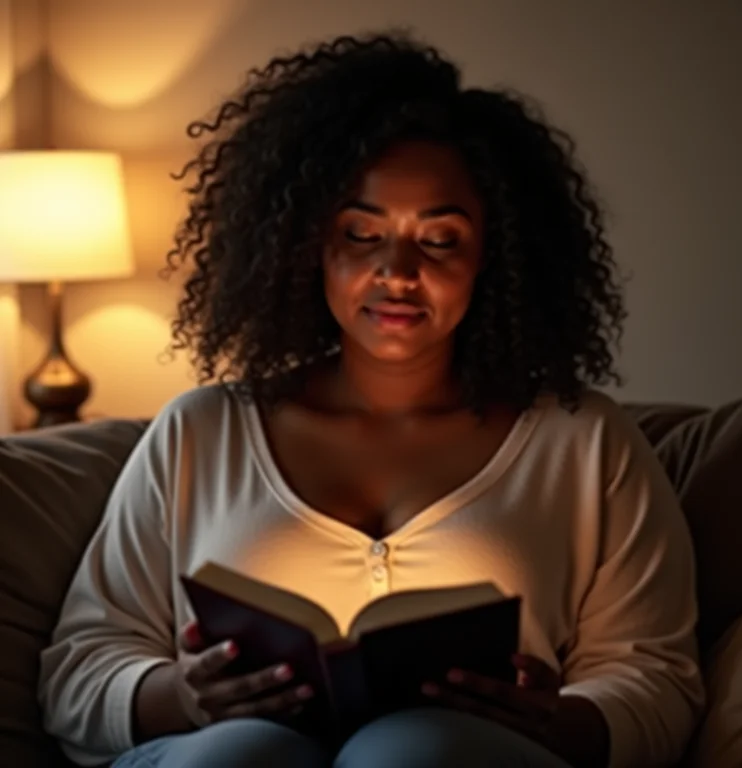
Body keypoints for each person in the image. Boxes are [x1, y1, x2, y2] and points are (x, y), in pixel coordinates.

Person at [38, 32, 704, 768]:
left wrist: (563, 722)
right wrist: (178, 697)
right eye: (362, 233)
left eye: (441, 240)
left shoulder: (583, 443)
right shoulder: (200, 433)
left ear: (497, 255)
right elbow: (80, 665)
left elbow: (658, 678)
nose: (397, 272)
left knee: (414, 753)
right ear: (307, 245)